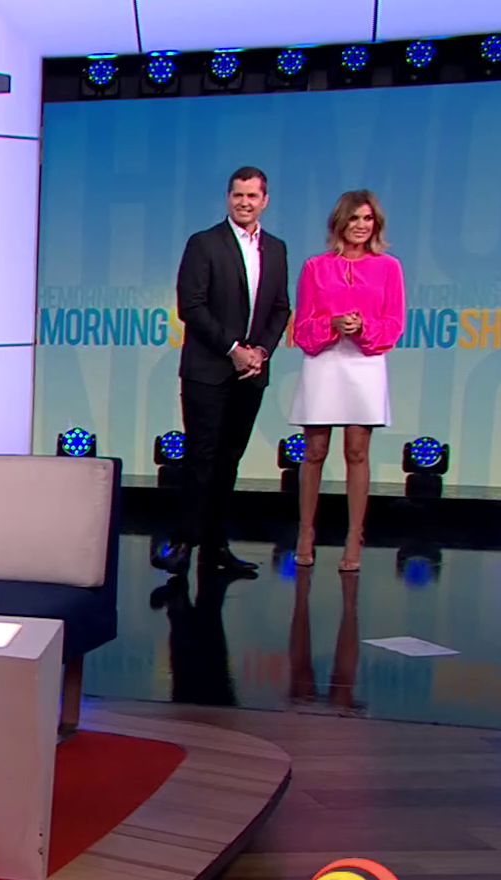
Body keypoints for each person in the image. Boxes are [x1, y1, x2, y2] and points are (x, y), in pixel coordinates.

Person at [158, 166, 291, 578]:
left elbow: (280, 308)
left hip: (251, 373)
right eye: (238, 195)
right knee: (202, 457)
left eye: (252, 196)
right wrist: (233, 350)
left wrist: (260, 352)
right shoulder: (204, 244)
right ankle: (183, 543)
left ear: (265, 201)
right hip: (208, 369)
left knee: (229, 460)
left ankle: (216, 546)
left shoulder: (277, 249)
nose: (244, 202)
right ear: (228, 198)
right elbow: (191, 306)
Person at [289, 191, 404, 572]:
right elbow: (302, 328)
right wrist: (332, 324)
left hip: (364, 362)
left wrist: (363, 327)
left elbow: (394, 324)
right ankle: (306, 532)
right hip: (324, 360)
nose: (361, 225)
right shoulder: (315, 267)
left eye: (368, 219)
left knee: (357, 452)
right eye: (354, 218)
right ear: (340, 222)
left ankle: (354, 537)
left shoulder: (389, 268)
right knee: (315, 451)